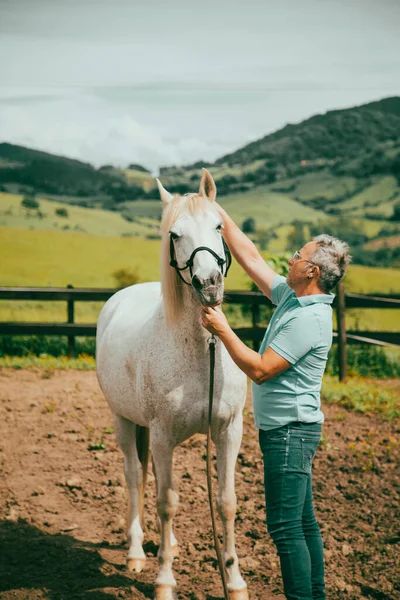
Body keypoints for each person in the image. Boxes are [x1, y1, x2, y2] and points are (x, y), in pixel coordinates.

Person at [201, 205, 351, 600]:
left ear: (312, 272)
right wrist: (217, 212)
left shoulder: (310, 320)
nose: (291, 258)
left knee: (285, 528)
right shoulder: (293, 298)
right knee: (304, 523)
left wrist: (223, 328)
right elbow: (250, 258)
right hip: (290, 432)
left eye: (299, 255)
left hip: (290, 434)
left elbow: (262, 369)